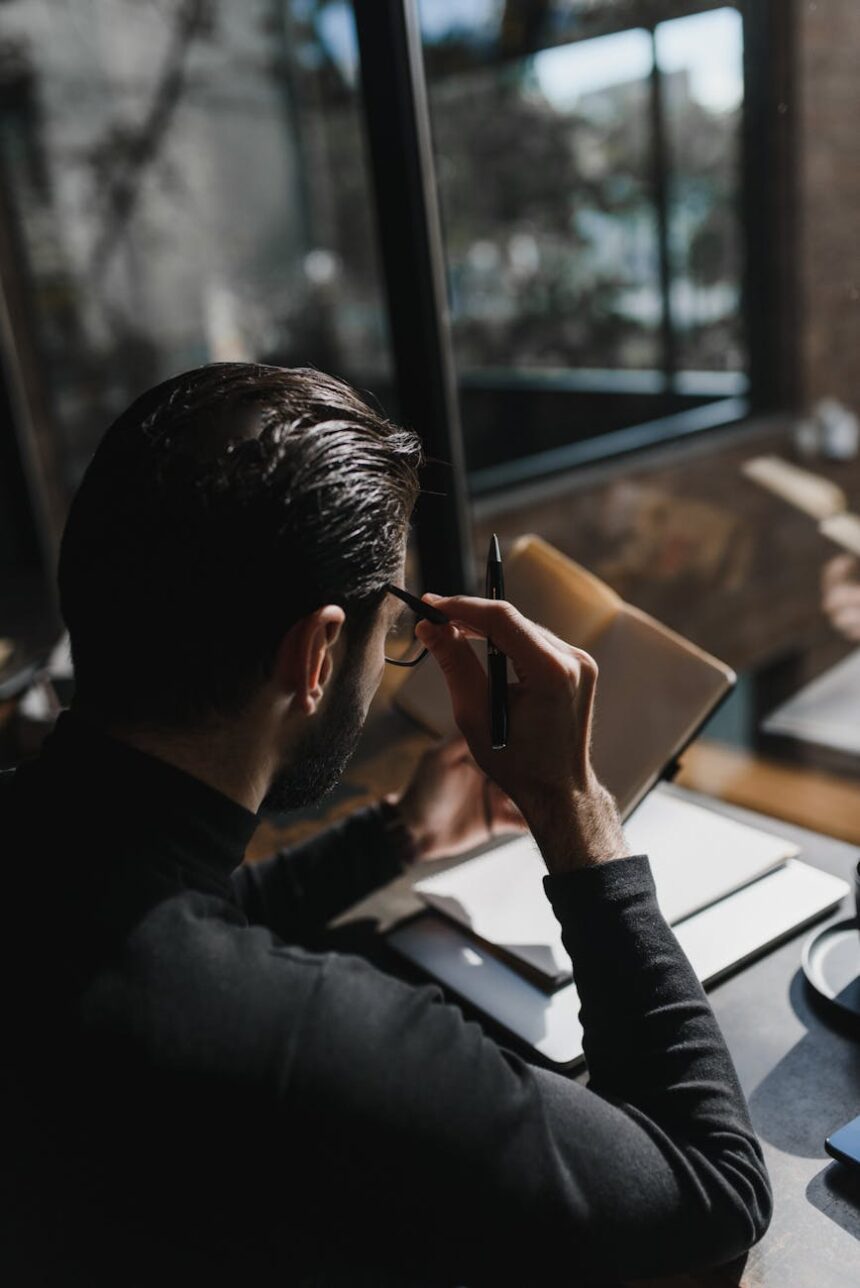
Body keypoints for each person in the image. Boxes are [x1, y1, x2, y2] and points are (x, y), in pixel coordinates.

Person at [2, 363, 771, 1286]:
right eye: (392, 623)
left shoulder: (56, 869)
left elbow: (159, 913)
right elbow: (712, 1192)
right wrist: (574, 807)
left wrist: (396, 838)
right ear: (317, 652)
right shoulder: (318, 1045)